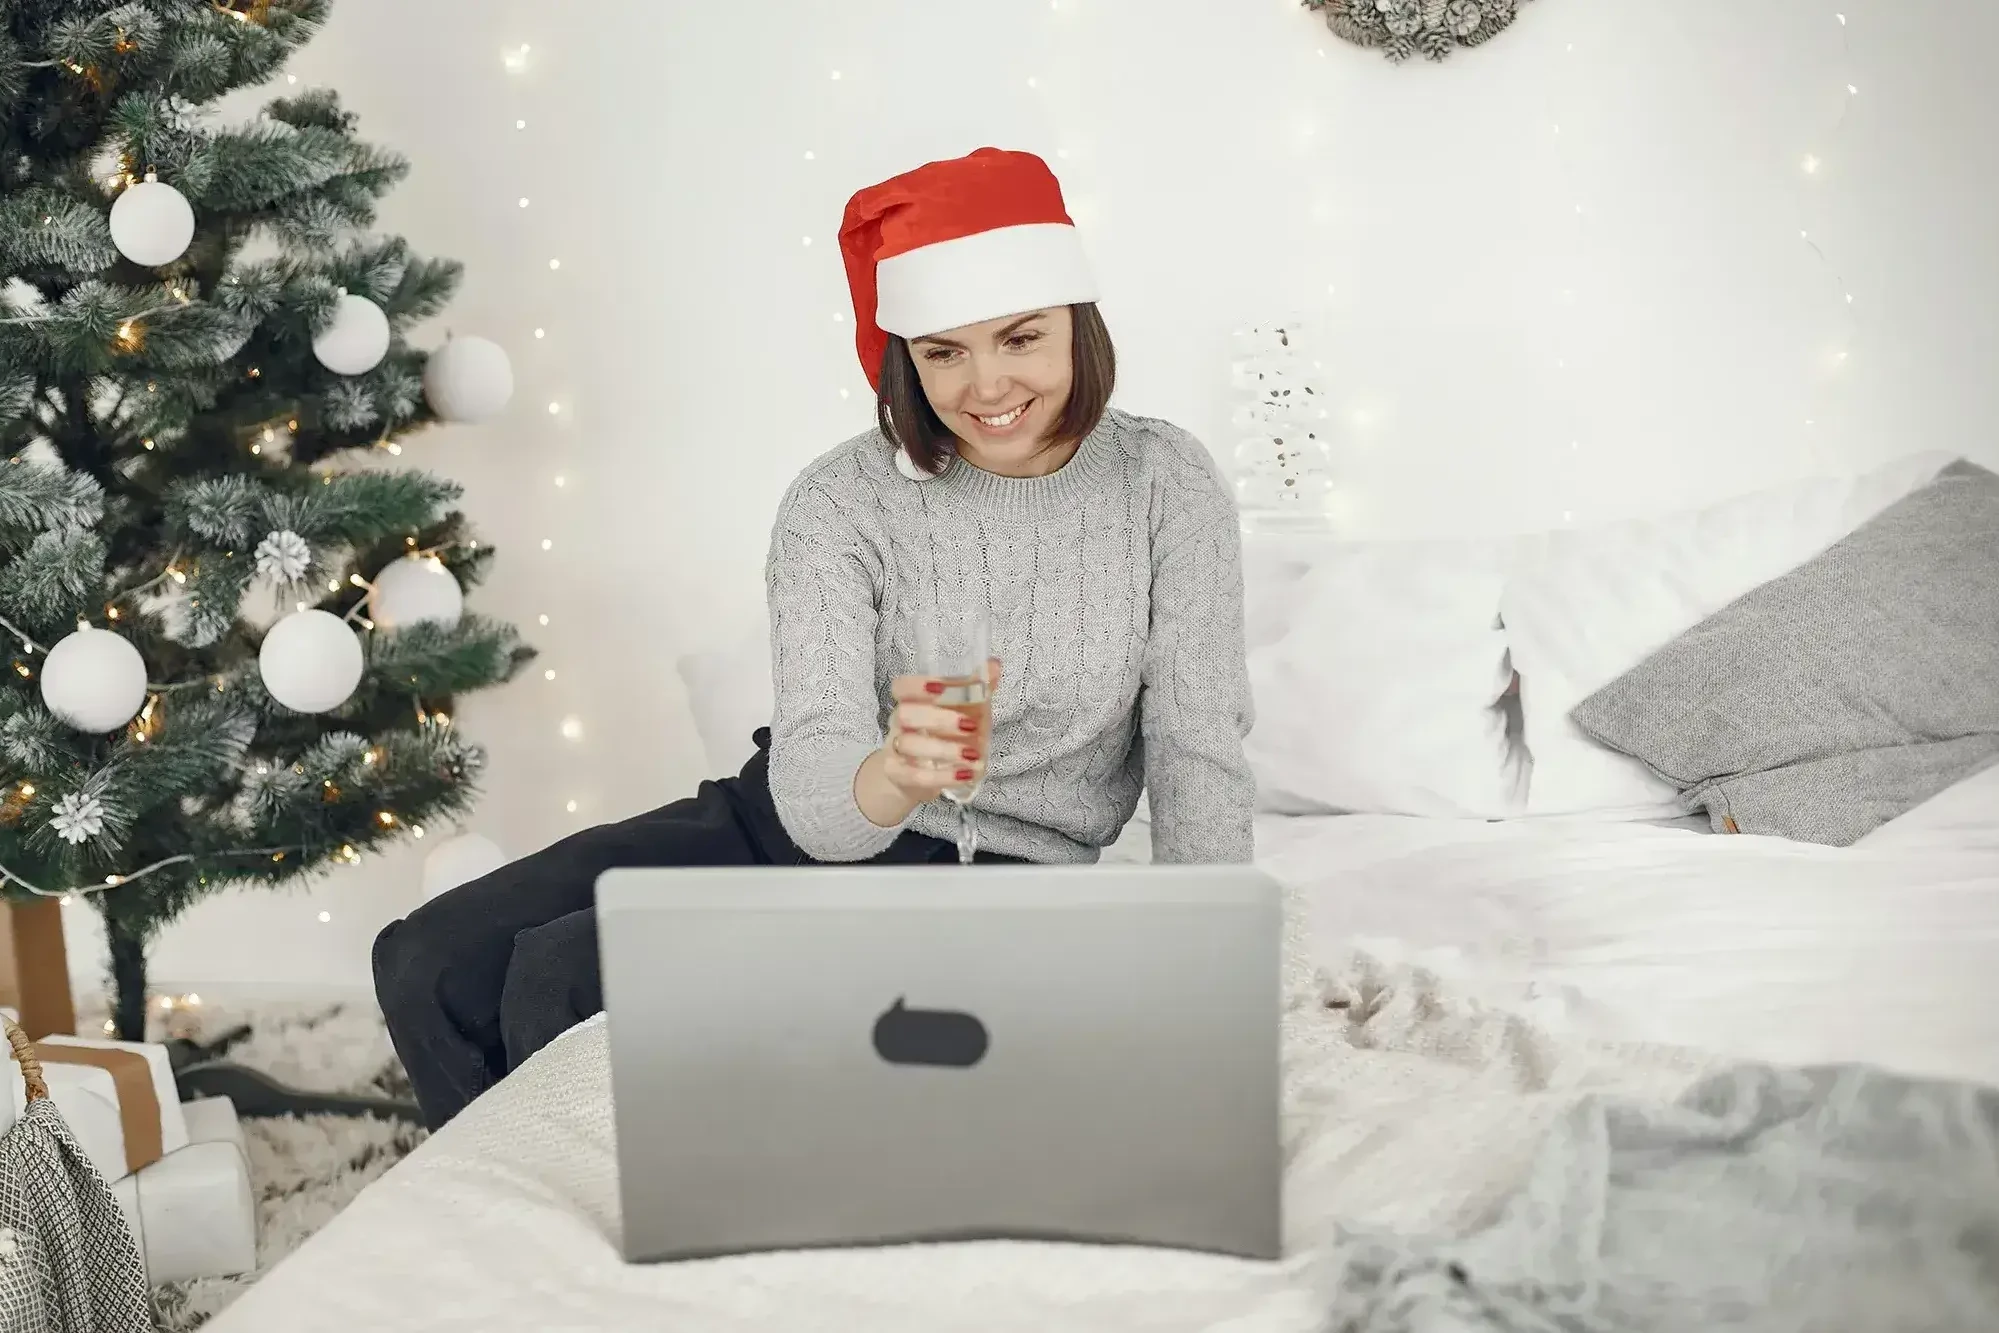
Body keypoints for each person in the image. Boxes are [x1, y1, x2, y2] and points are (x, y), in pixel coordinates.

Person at [372, 147, 1256, 1132]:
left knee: (563, 982)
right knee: (426, 961)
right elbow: (821, 793)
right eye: (942, 351)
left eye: (1019, 339)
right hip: (796, 816)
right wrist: (895, 774)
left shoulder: (1162, 481)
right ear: (904, 356)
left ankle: (605, 1231)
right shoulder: (841, 498)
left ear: (1076, 327)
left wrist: (1203, 966)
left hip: (995, 881)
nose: (986, 385)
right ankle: (520, 1204)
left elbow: (1196, 747)